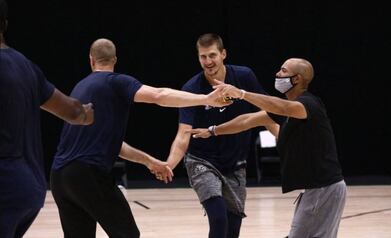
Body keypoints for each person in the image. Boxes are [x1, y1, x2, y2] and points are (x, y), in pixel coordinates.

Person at [49, 38, 230, 238]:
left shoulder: (80, 87)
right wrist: (205, 99)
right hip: (88, 174)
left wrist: (150, 162)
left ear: (91, 60)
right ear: (115, 60)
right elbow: (159, 95)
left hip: (59, 178)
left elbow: (113, 146)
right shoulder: (116, 81)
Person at [190, 58, 347, 238]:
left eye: (283, 71)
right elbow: (247, 120)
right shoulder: (288, 110)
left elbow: (283, 106)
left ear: (296, 79)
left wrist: (241, 94)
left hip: (324, 187)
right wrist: (213, 130)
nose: (277, 74)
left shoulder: (308, 105)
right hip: (318, 188)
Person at [161, 33, 276, 238]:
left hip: (235, 162)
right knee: (218, 219)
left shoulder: (243, 77)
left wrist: (286, 142)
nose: (208, 61)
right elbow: (183, 134)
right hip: (201, 161)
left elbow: (269, 111)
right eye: (203, 57)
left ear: (223, 54)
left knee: (233, 228)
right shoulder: (192, 88)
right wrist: (169, 164)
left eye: (212, 55)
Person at [0, 1, 94, 237]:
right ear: (5, 24)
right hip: (29, 189)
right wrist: (88, 112)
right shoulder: (25, 65)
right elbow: (73, 112)